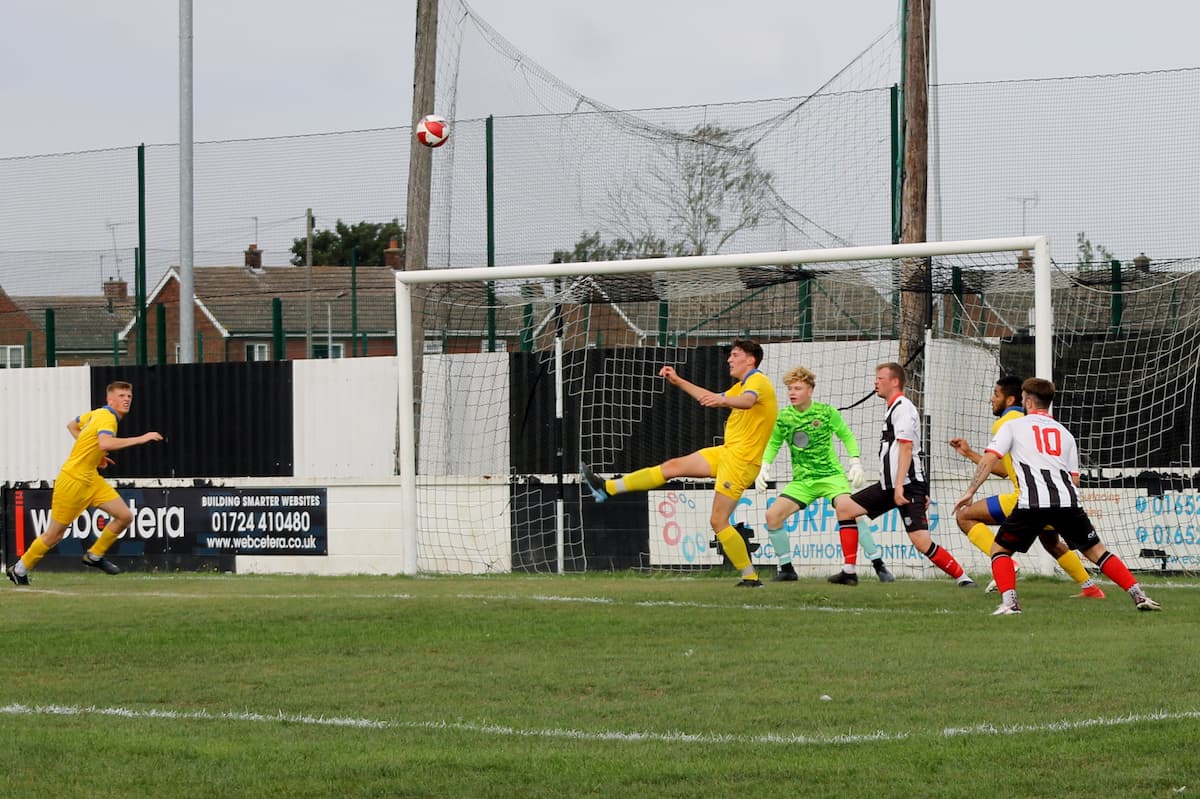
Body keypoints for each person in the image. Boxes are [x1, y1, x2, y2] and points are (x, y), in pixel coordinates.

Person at [953, 377, 1161, 615]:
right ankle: (1138, 595)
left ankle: (1010, 603)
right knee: (1097, 551)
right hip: (1067, 502)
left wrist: (970, 491)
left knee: (1000, 551)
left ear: (1028, 402)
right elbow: (1074, 480)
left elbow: (990, 459)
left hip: (1032, 503)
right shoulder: (1065, 434)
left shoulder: (1013, 426)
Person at [581, 339, 777, 587]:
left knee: (718, 521)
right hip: (727, 453)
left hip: (741, 462)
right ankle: (607, 488)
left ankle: (750, 577)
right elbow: (709, 397)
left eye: (735, 355)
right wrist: (678, 380)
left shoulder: (758, 381)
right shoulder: (742, 385)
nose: (729, 359)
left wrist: (722, 401)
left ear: (750, 359)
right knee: (672, 467)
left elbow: (747, 401)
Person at [949, 375, 1105, 598]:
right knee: (1051, 541)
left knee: (964, 516)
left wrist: (970, 488)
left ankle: (1005, 561)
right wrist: (969, 453)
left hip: (1025, 499)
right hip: (1056, 497)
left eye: (996, 394)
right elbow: (1006, 469)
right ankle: (1090, 587)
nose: (991, 399)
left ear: (1011, 399)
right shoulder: (1031, 420)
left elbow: (999, 466)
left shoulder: (1006, 424)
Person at [831, 362, 975, 587]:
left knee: (921, 541)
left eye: (880, 378)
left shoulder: (903, 408)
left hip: (905, 486)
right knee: (844, 508)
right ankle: (849, 571)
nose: (875, 382)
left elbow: (907, 448)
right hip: (891, 485)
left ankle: (964, 579)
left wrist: (901, 486)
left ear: (895, 382)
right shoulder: (893, 408)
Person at [6, 381, 163, 586]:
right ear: (110, 400)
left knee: (124, 516)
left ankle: (94, 556)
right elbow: (105, 443)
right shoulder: (107, 417)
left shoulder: (96, 414)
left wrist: (94, 453)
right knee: (55, 535)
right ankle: (19, 569)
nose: (126, 399)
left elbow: (72, 425)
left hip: (91, 478)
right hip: (73, 480)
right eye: (121, 396)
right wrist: (142, 438)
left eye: (129, 396)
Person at [755, 365, 894, 582]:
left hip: (831, 477)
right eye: (790, 388)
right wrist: (764, 466)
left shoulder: (826, 412)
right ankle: (787, 570)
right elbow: (774, 443)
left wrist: (855, 462)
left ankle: (879, 565)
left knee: (850, 512)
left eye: (797, 388)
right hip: (803, 481)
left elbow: (846, 436)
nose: (792, 393)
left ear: (810, 390)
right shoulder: (784, 417)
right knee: (772, 516)